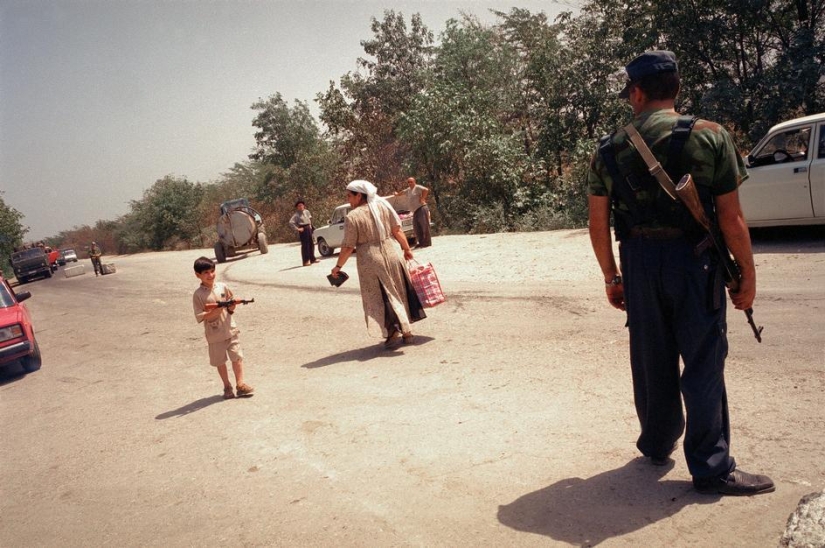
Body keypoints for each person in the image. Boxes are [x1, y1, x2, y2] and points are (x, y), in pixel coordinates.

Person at [587, 51, 774, 496]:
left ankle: (656, 442)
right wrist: (746, 274)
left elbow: (598, 222)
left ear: (636, 92)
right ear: (677, 88)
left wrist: (612, 277)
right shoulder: (711, 137)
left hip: (638, 262)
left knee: (651, 356)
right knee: (704, 359)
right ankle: (711, 467)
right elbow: (731, 218)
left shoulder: (608, 148)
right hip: (696, 260)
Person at [331, 180, 426, 347]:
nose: (348, 200)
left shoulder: (353, 216)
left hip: (372, 260)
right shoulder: (382, 207)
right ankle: (407, 332)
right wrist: (406, 249)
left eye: (349, 196)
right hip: (393, 252)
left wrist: (338, 267)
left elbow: (347, 246)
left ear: (359, 195)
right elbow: (397, 229)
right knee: (399, 290)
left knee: (382, 297)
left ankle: (392, 332)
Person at [192, 256, 254, 400]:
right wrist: (213, 312)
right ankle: (227, 386)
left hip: (230, 329)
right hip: (214, 334)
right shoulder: (198, 295)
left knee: (237, 357)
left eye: (212, 271)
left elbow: (230, 305)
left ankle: (240, 384)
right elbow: (199, 316)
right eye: (206, 273)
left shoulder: (222, 287)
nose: (210, 275)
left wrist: (231, 308)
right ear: (198, 275)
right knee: (220, 362)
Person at [394, 177, 432, 248]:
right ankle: (421, 242)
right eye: (408, 182)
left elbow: (426, 190)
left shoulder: (417, 187)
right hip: (415, 211)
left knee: (424, 226)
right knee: (416, 227)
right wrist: (397, 194)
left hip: (421, 208)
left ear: (414, 182)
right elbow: (402, 192)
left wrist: (422, 198)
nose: (410, 183)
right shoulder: (408, 190)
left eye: (411, 182)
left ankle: (427, 243)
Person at [289, 200, 319, 266]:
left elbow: (310, 219)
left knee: (311, 243)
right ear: (297, 207)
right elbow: (291, 222)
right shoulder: (296, 215)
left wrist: (310, 225)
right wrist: (298, 229)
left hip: (309, 228)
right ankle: (306, 261)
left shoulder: (307, 211)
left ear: (304, 206)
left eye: (302, 205)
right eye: (299, 206)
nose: (301, 207)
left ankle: (312, 259)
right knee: (305, 245)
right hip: (303, 229)